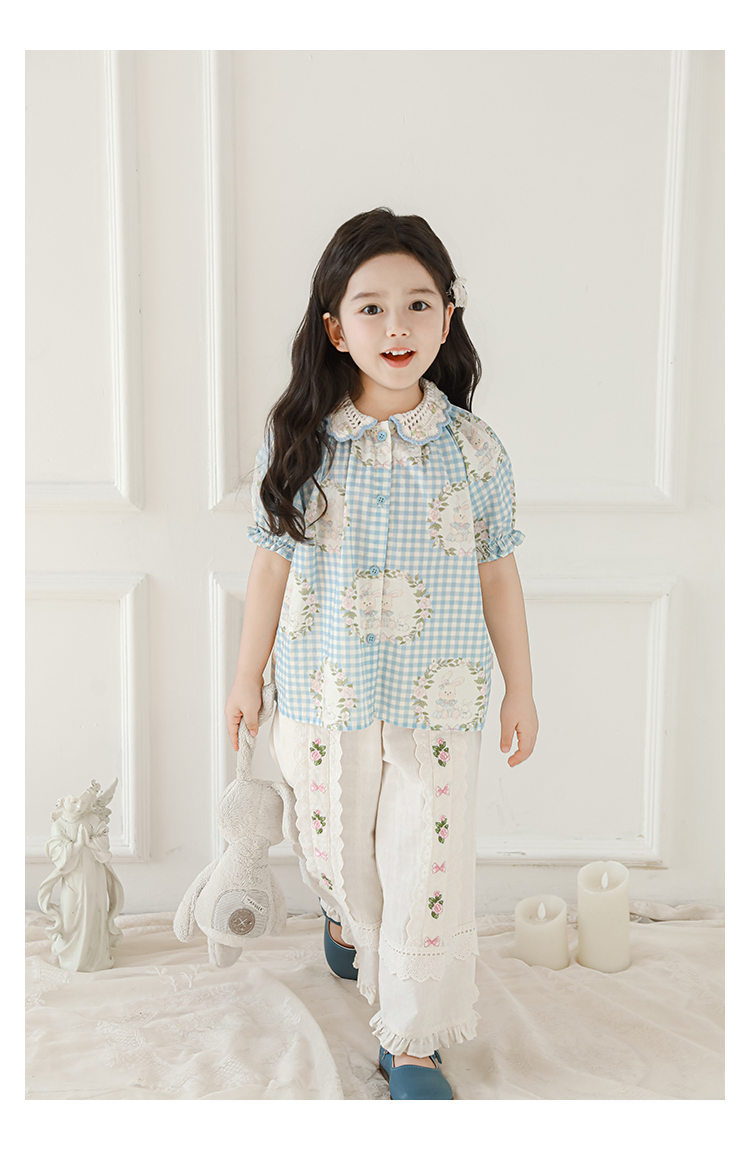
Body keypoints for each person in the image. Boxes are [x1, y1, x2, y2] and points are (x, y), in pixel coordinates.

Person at [225, 207, 538, 1099]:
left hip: (440, 697)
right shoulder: (302, 443)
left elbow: (499, 575)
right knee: (335, 847)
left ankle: (413, 1037)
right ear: (336, 327)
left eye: (418, 304)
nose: (396, 327)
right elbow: (269, 566)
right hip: (323, 690)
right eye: (371, 308)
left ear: (448, 316)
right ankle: (343, 917)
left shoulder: (475, 450)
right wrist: (245, 676)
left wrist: (521, 688)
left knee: (425, 863)